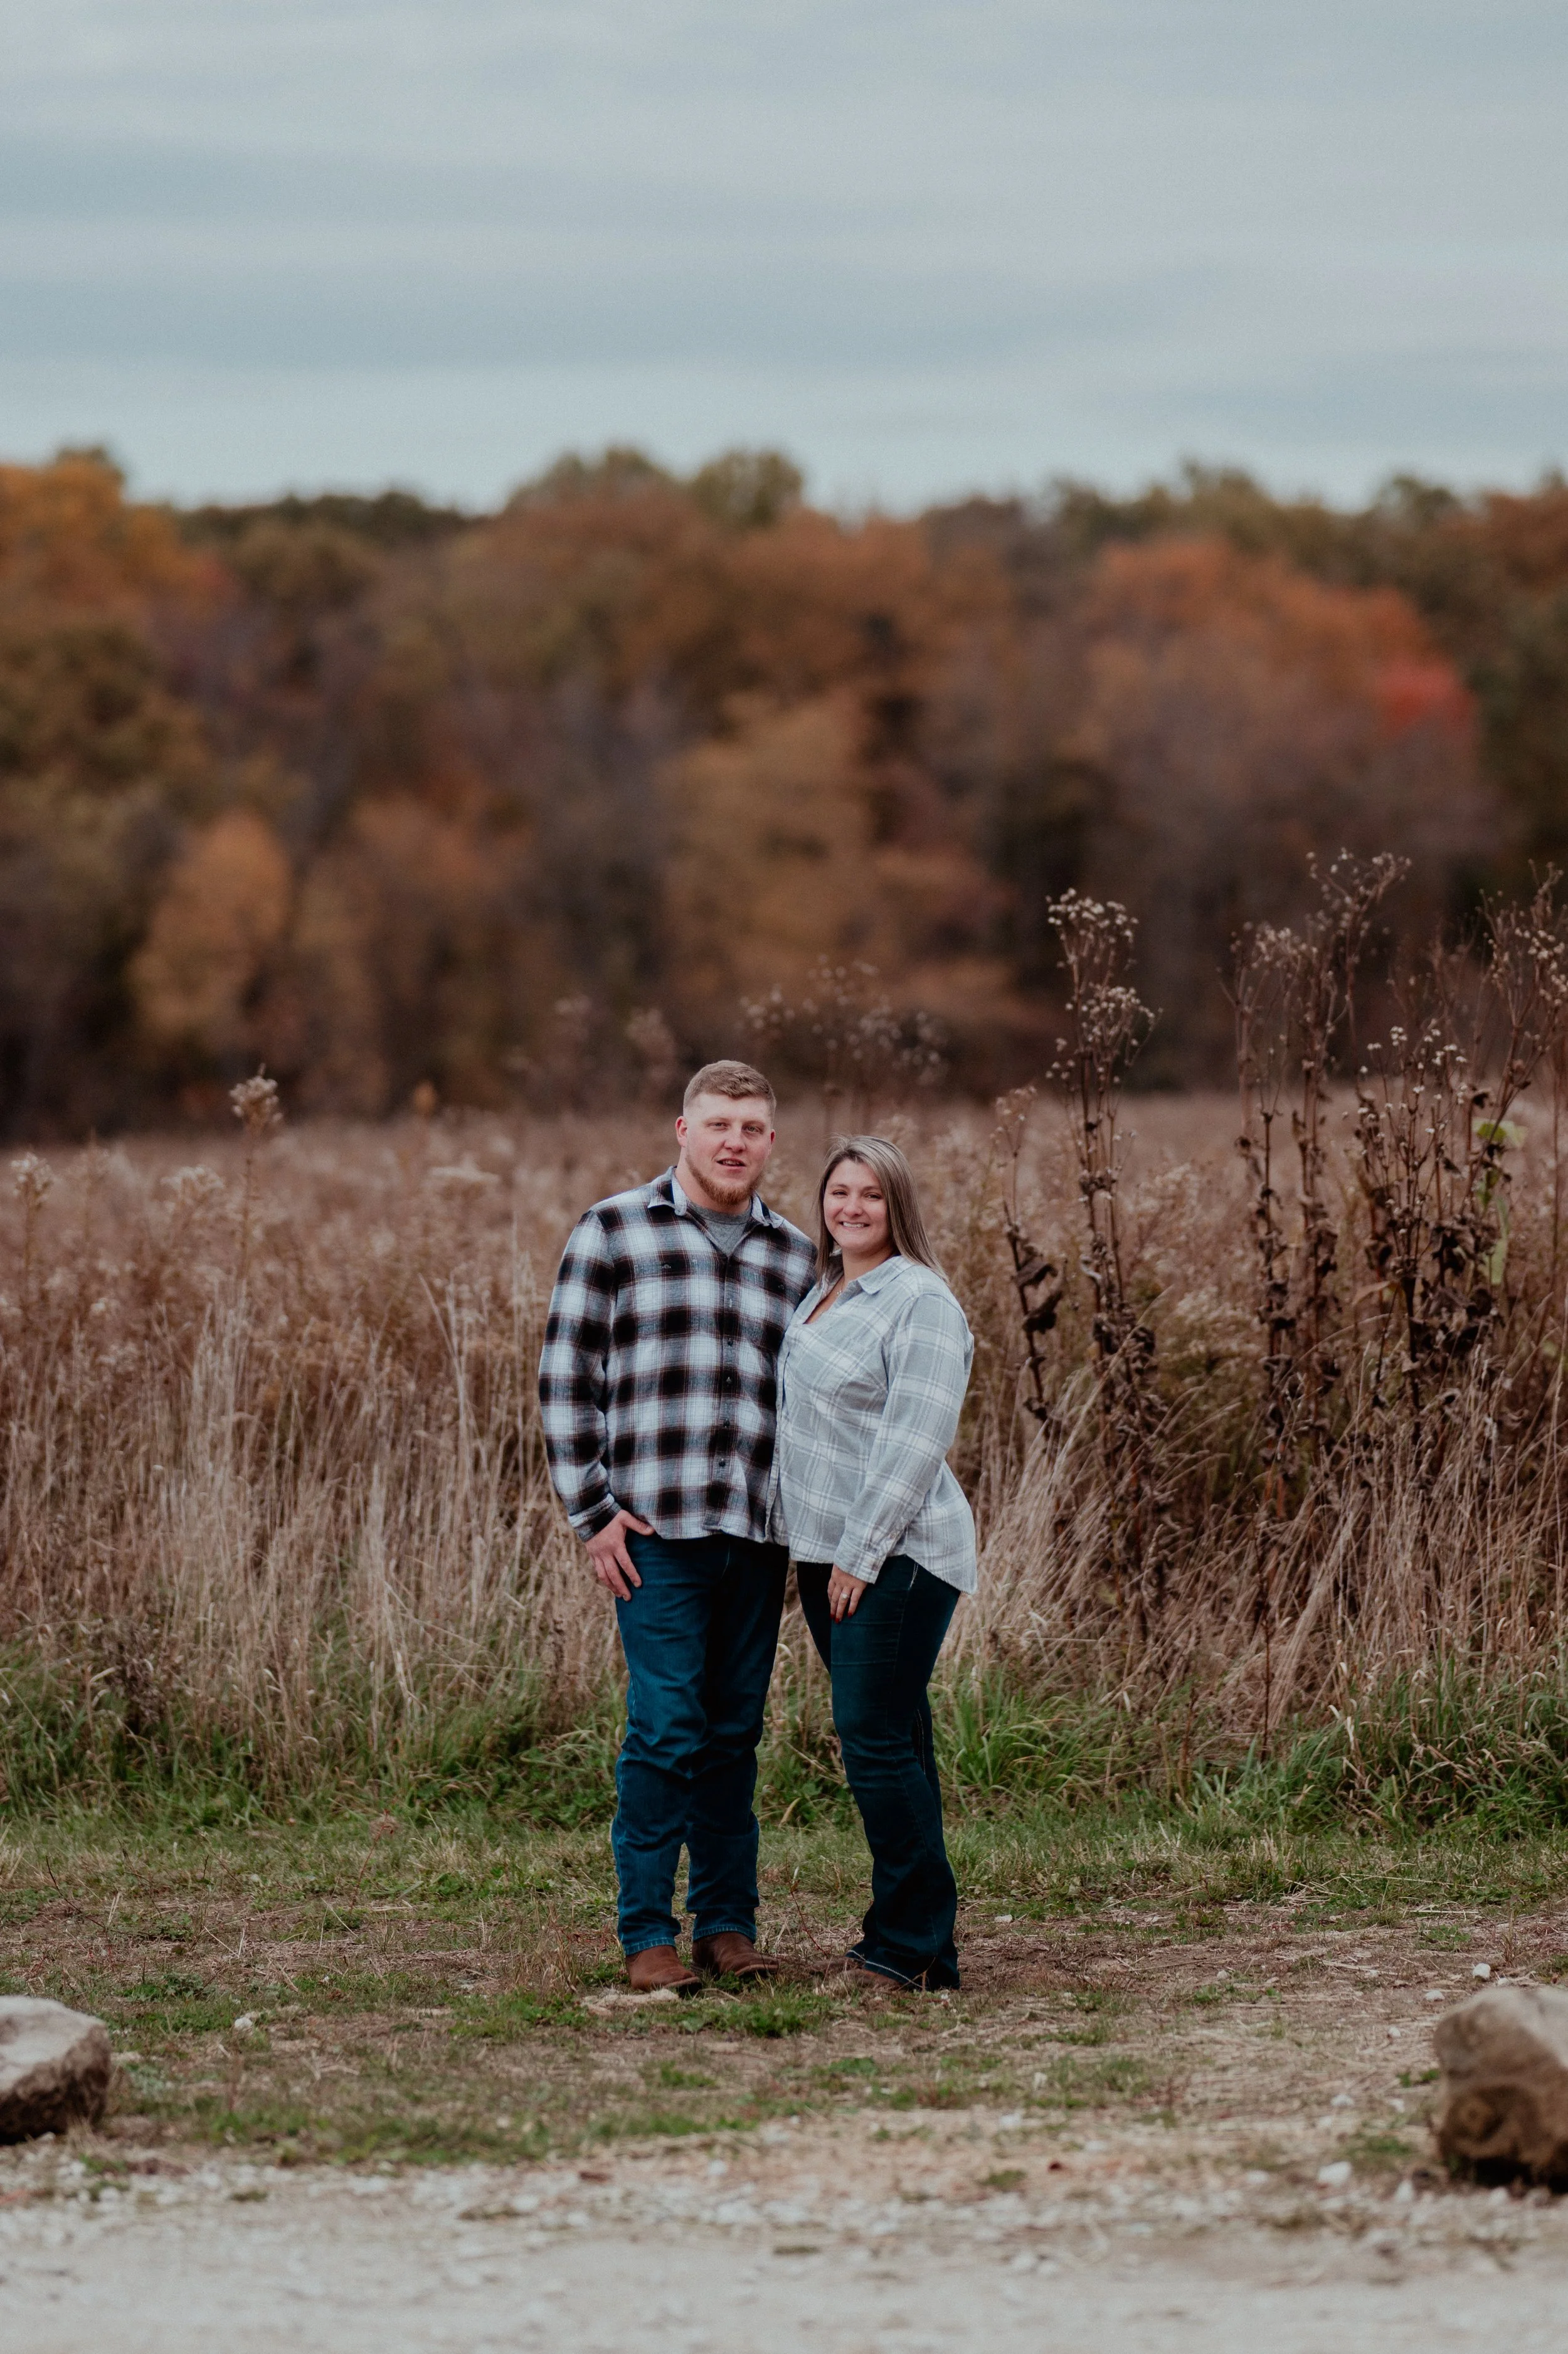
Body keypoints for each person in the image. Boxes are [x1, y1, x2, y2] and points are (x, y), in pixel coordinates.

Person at [539, 1060, 816, 1993]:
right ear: (682, 1130)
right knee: (666, 1728)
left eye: (751, 1127)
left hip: (759, 1528)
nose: (734, 1141)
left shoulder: (796, 1255)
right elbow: (566, 1378)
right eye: (717, 1124)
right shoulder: (614, 1229)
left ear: (771, 1143)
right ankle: (647, 1933)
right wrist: (592, 1512)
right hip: (653, 1531)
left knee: (734, 1730)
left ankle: (727, 1928)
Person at [773, 1135, 975, 1991]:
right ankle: (934, 1953)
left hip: (899, 1554)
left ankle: (900, 1945)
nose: (852, 1208)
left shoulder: (919, 1301)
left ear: (899, 1209)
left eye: (872, 1196)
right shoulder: (828, 1289)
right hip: (828, 1556)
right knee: (896, 1739)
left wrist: (860, 1556)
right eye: (839, 1192)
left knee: (873, 1741)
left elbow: (914, 1441)